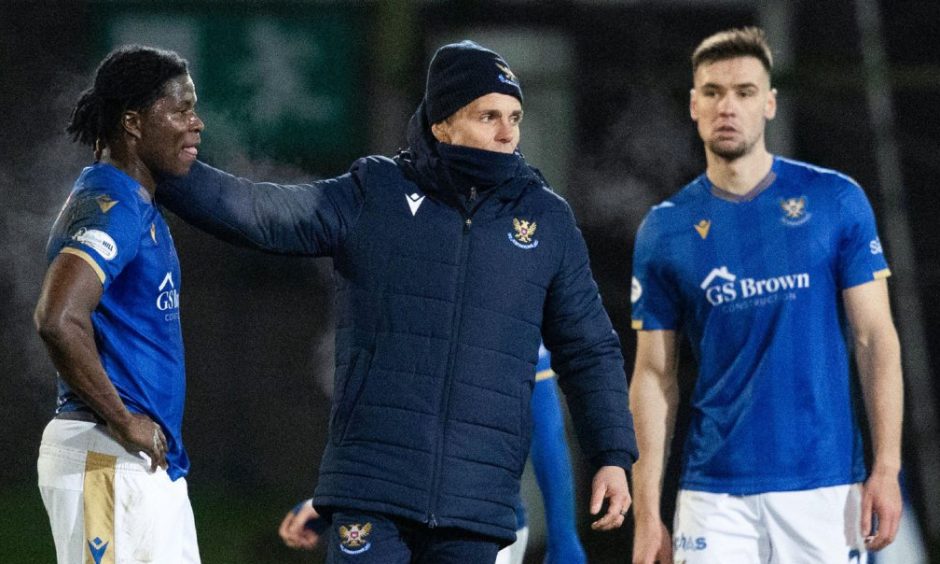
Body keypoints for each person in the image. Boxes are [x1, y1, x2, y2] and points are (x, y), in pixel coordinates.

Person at [157, 40, 636, 563]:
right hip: (372, 492)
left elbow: (589, 348)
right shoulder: (376, 193)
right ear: (442, 124)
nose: (508, 133)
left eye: (514, 117)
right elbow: (261, 212)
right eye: (488, 116)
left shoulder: (546, 220)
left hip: (474, 508)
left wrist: (611, 454)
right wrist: (162, 167)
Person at [628, 27, 903, 564]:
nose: (726, 106)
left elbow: (875, 339)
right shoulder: (664, 229)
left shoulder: (835, 200)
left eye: (744, 92)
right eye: (711, 91)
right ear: (693, 105)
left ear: (770, 103)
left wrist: (887, 467)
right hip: (713, 494)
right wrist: (646, 514)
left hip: (823, 488)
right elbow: (653, 377)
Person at [33, 45, 204, 563]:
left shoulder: (136, 201)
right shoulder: (114, 206)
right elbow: (58, 318)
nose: (195, 123)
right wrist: (123, 419)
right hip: (105, 456)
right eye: (180, 109)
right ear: (132, 122)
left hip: (144, 467)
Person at [278, 343, 589, 564]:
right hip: (391, 522)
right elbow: (385, 425)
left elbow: (545, 428)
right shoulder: (392, 287)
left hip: (475, 530)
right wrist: (337, 500)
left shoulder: (503, 285)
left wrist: (564, 539)